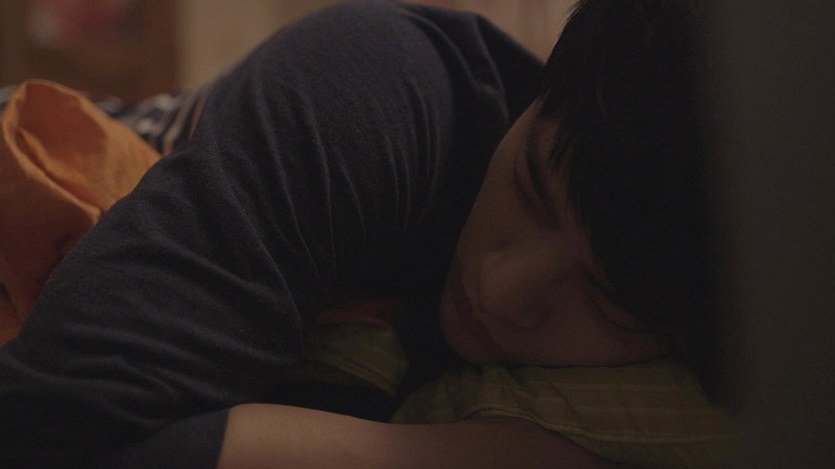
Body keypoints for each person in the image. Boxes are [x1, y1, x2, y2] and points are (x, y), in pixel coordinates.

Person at [0, 0, 719, 468]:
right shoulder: (374, 98)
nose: (501, 290)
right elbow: (45, 433)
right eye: (528, 188)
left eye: (605, 302)